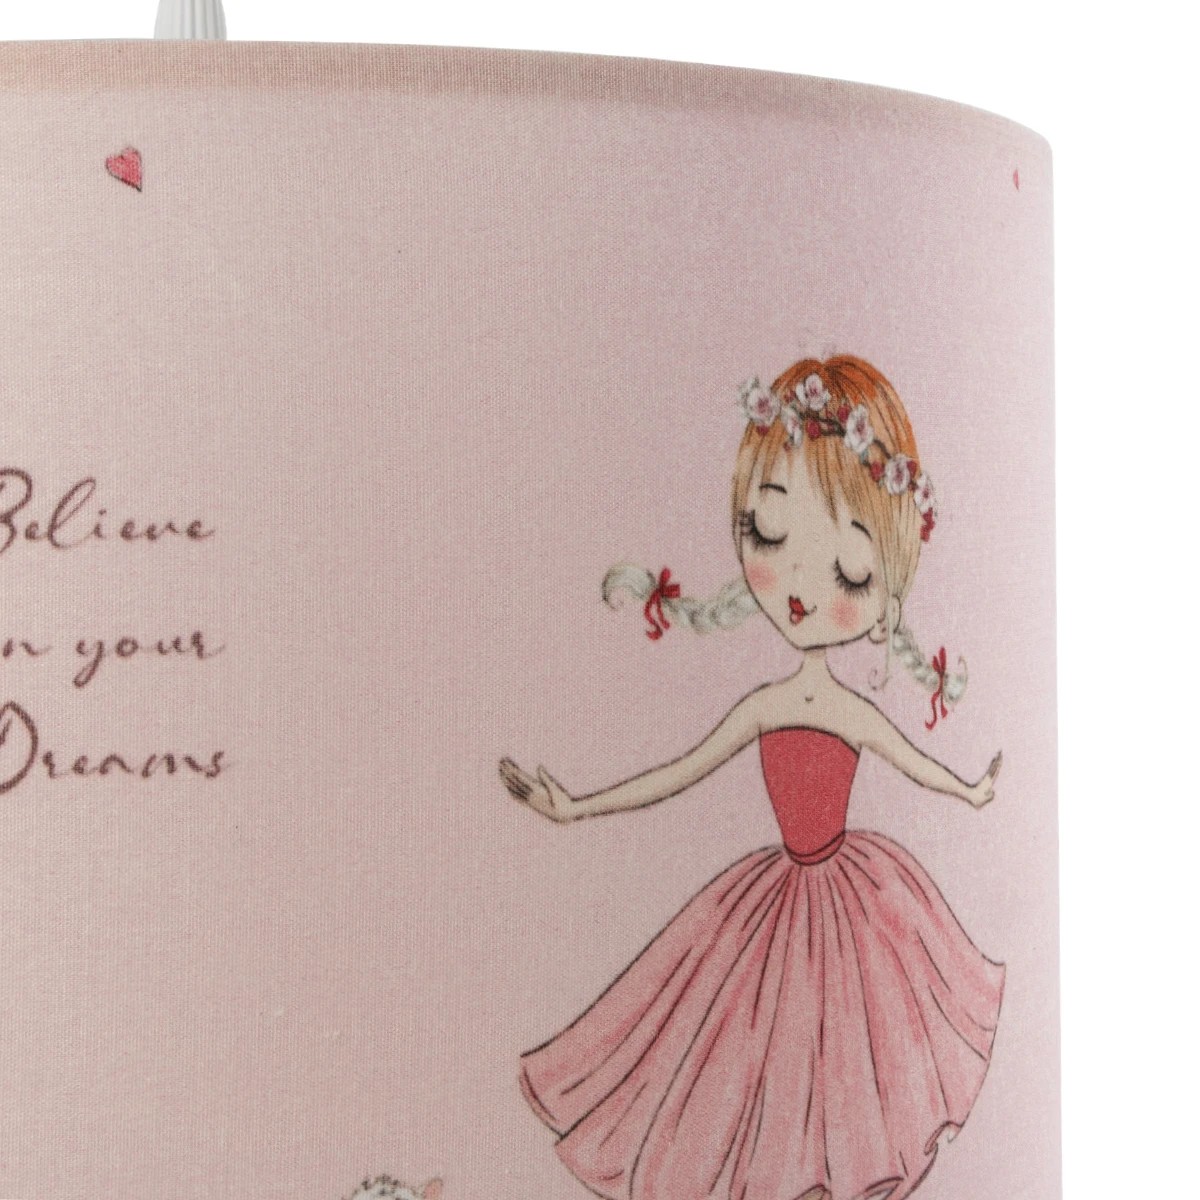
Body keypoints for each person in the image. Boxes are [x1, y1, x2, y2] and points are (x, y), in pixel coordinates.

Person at [499, 355, 1005, 1200]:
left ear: (883, 594)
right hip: (772, 903)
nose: (801, 588)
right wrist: (576, 807)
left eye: (849, 570)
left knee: (848, 1060)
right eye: (769, 534)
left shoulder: (845, 711)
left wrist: (972, 792)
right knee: (747, 1058)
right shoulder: (766, 706)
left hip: (853, 901)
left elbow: (916, 765)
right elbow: (680, 772)